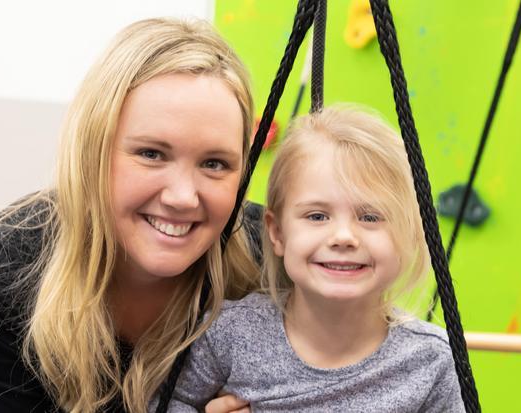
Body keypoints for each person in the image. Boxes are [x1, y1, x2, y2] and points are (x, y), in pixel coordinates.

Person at [0, 18, 265, 413]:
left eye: (215, 163)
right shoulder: (3, 270)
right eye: (151, 154)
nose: (183, 197)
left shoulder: (274, 261)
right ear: (92, 152)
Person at [167, 105, 465, 412]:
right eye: (317, 216)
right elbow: (169, 401)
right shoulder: (229, 333)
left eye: (370, 217)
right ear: (277, 233)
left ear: (408, 235)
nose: (343, 237)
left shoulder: (430, 361)